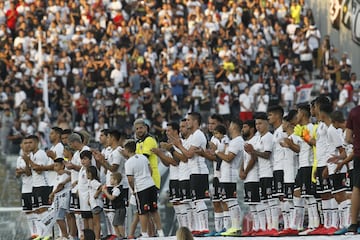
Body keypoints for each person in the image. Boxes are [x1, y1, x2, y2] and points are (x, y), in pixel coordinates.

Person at [123, 139, 164, 238]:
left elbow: (130, 179)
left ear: (127, 150)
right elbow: (150, 170)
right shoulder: (143, 157)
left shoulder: (128, 163)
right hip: (151, 185)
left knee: (142, 212)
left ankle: (144, 233)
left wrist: (133, 189)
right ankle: (161, 232)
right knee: (154, 210)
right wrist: (148, 178)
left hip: (141, 188)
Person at [345, 104, 360, 234]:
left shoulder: (354, 112)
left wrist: (356, 143)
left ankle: (354, 224)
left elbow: (347, 138)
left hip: (358, 155)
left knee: (357, 188)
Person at [49, 158, 71, 240]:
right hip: (58, 199)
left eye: (57, 165)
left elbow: (60, 186)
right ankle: (64, 234)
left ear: (62, 165)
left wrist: (52, 194)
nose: (55, 167)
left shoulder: (64, 174)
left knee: (59, 218)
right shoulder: (58, 175)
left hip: (63, 198)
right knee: (60, 217)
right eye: (54, 166)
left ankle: (65, 235)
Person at [102, 172, 127, 239]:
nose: (110, 181)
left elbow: (111, 198)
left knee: (119, 223)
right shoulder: (115, 189)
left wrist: (105, 191)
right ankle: (118, 236)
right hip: (117, 209)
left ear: (116, 180)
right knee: (115, 223)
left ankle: (123, 236)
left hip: (120, 209)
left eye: (111, 179)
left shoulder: (117, 189)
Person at [87, 165, 103, 240]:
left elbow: (101, 187)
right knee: (95, 222)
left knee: (97, 223)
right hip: (93, 204)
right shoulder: (90, 182)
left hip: (96, 204)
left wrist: (97, 193)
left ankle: (97, 237)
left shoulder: (94, 182)